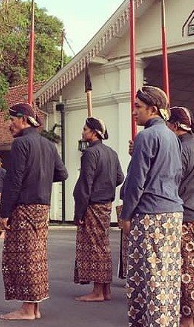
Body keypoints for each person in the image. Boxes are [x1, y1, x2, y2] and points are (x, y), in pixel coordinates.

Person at [119, 86, 183, 327]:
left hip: (150, 214)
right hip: (172, 211)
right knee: (166, 274)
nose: (134, 111)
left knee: (148, 276)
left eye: (138, 106)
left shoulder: (146, 137)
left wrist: (126, 214)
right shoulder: (171, 137)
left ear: (152, 109)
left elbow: (136, 181)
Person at [0, 102, 68, 321]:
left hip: (24, 205)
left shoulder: (21, 144)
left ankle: (28, 309)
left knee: (23, 256)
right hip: (42, 206)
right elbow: (62, 173)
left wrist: (4, 212)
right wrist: (42, 177)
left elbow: (14, 179)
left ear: (23, 119)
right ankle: (34, 307)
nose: (10, 124)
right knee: (36, 255)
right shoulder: (49, 145)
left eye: (12, 120)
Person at [72, 117, 124, 303]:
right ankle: (105, 289)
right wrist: (106, 184)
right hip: (106, 205)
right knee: (102, 245)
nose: (82, 132)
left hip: (93, 205)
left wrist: (79, 213)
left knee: (95, 247)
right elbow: (119, 177)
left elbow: (86, 184)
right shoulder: (111, 153)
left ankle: (97, 292)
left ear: (94, 133)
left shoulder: (90, 153)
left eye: (85, 129)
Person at [166, 107, 194, 327]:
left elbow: (173, 182)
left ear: (174, 125)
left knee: (184, 270)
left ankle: (185, 318)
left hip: (185, 216)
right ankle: (192, 318)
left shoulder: (180, 150)